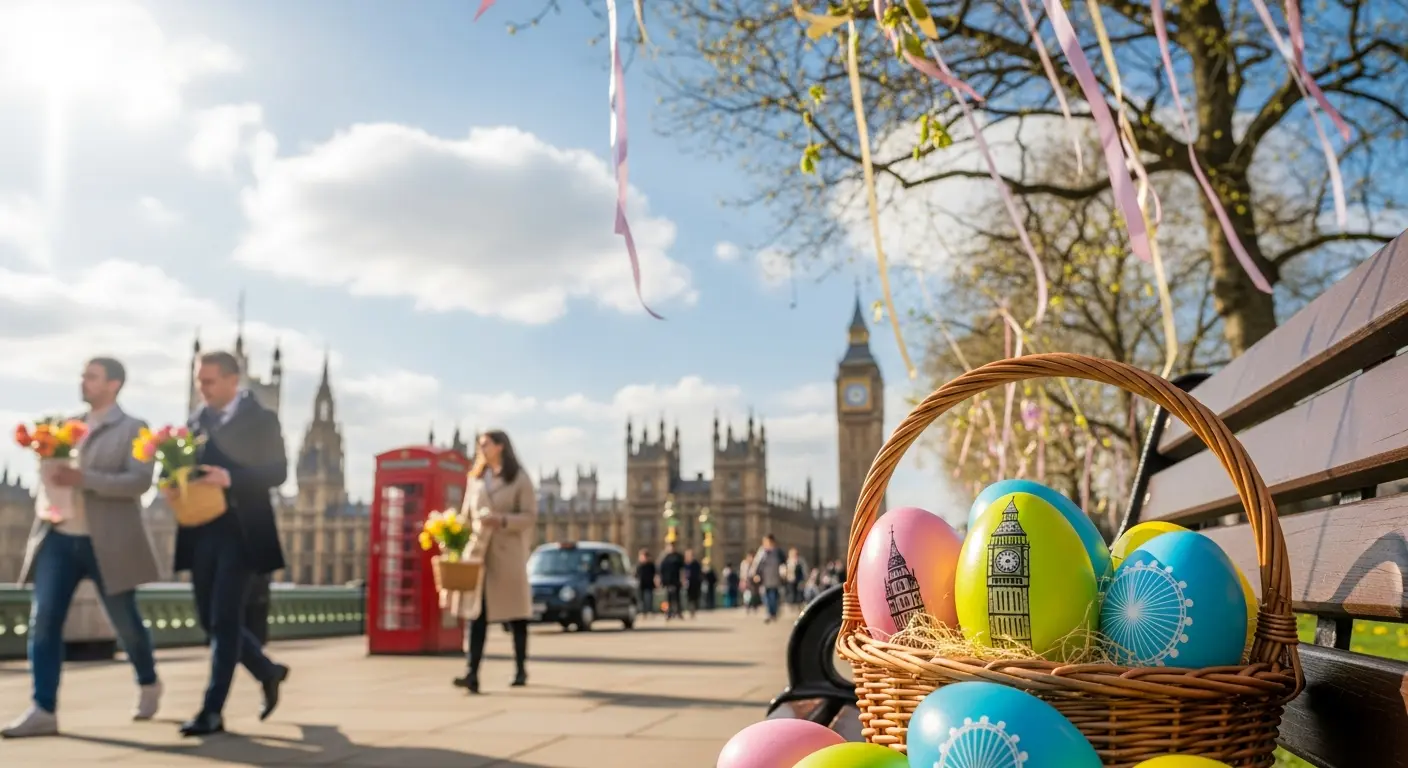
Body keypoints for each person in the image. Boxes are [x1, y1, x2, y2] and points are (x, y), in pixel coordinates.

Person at [4, 358, 163, 738]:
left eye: (91, 376)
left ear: (114, 384)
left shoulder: (134, 429)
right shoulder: (64, 428)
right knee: (44, 623)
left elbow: (139, 482)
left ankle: (148, 681)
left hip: (105, 541)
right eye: (82, 376)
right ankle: (43, 707)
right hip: (58, 536)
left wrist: (83, 478)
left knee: (126, 623)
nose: (83, 382)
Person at [175, 351, 290, 737]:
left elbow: (278, 472)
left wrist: (232, 478)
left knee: (225, 619)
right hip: (202, 528)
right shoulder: (195, 422)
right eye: (197, 382)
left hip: (243, 531)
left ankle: (212, 711)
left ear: (231, 380)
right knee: (209, 620)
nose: (201, 389)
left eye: (207, 382)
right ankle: (266, 670)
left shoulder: (262, 420)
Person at [452, 429, 538, 694]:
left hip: (507, 553)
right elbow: (465, 515)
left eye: (485, 444)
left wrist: (501, 520)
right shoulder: (476, 479)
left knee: (516, 616)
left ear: (500, 446)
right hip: (480, 553)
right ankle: (472, 673)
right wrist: (452, 540)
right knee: (476, 615)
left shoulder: (519, 479)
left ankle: (521, 668)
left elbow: (529, 516)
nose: (481, 449)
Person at [751, 534, 786, 623]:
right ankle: (769, 613)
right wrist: (756, 574)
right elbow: (757, 564)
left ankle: (773, 613)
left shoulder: (778, 552)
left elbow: (783, 564)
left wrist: (783, 573)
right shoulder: (762, 552)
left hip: (775, 578)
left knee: (773, 596)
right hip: (764, 578)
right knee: (765, 596)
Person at [657, 542, 684, 620]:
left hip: (676, 580)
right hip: (667, 581)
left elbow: (682, 569)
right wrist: (660, 579)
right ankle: (668, 613)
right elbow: (660, 570)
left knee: (677, 598)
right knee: (668, 598)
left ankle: (678, 612)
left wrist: (682, 579)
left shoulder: (678, 557)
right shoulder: (664, 557)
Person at [634, 549, 657, 618]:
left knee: (649, 599)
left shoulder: (651, 565)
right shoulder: (639, 566)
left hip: (649, 584)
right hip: (641, 585)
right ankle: (643, 612)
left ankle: (649, 611)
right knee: (641, 600)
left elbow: (655, 574)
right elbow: (635, 575)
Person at [683, 549, 703, 618]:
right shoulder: (684, 564)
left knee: (695, 597)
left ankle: (693, 610)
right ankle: (690, 610)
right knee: (689, 597)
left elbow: (699, 573)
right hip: (687, 583)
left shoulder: (696, 564)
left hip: (695, 583)